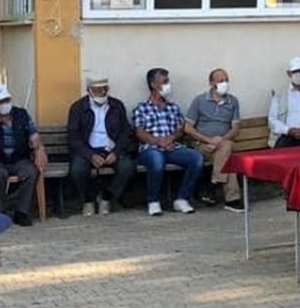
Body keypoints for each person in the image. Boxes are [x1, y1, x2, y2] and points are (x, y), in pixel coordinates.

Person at [133, 68, 203, 217]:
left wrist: (171, 139)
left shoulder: (173, 107)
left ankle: (182, 198)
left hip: (172, 147)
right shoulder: (142, 108)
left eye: (168, 81)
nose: (168, 85)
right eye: (164, 82)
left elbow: (180, 129)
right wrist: (159, 142)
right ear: (153, 84)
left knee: (196, 158)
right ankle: (153, 201)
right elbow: (140, 133)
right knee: (157, 160)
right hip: (150, 149)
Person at [0, 84, 47, 226]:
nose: (4, 104)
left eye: (6, 100)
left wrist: (40, 149)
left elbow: (34, 135)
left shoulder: (22, 114)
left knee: (31, 171)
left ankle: (22, 212)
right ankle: (0, 211)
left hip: (19, 158)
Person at [67, 74, 136, 216]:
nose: (103, 92)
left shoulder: (116, 105)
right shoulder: (78, 108)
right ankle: (88, 200)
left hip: (110, 148)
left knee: (128, 167)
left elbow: (125, 132)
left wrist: (116, 152)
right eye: (99, 90)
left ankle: (106, 197)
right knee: (78, 170)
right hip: (87, 149)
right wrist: (90, 155)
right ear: (89, 90)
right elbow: (74, 137)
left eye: (105, 89)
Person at [185, 68, 244, 211]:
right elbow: (188, 128)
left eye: (226, 80)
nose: (225, 83)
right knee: (227, 155)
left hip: (223, 144)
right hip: (203, 145)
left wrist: (220, 140)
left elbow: (235, 128)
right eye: (221, 81)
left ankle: (214, 184)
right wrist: (209, 140)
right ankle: (232, 199)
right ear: (211, 83)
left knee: (226, 147)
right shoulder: (199, 101)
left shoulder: (233, 101)